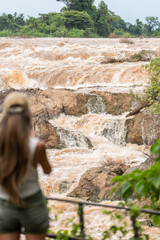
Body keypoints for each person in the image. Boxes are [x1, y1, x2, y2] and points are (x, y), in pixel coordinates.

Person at [0, 92, 52, 240]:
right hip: (32, 204)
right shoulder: (37, 145)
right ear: (27, 114)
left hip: (4, 202)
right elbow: (47, 171)